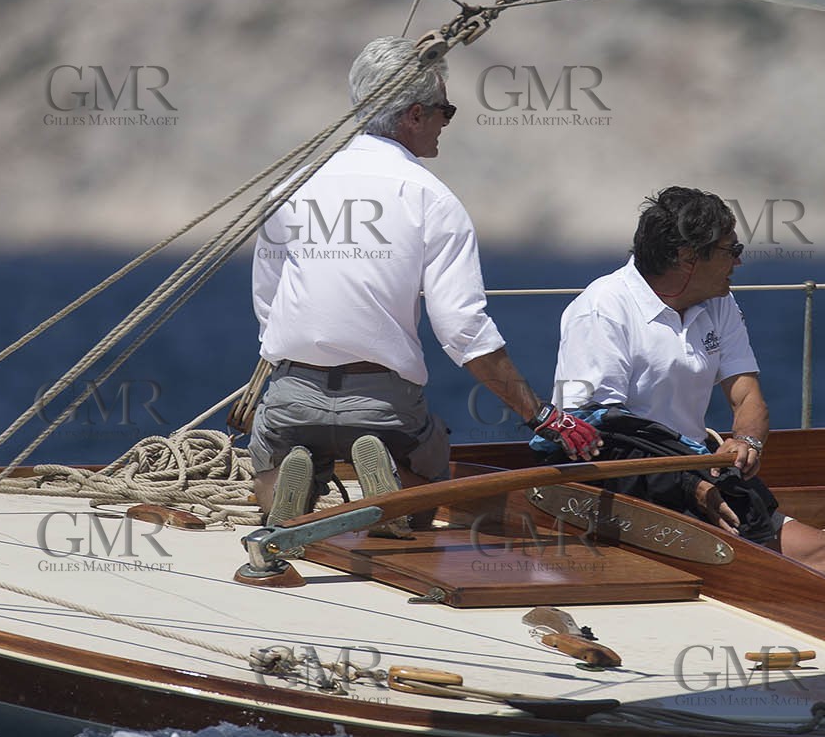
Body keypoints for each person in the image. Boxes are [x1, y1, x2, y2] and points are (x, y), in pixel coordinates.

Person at [248, 36, 599, 528]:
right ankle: (395, 491)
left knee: (269, 465)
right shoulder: (432, 199)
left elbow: (268, 302)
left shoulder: (290, 187)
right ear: (414, 115)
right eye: (444, 111)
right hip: (382, 403)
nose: (445, 124)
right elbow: (463, 331)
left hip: (292, 391)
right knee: (427, 487)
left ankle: (295, 478)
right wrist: (541, 415)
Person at [549, 187, 825, 587]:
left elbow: (747, 395)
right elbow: (597, 438)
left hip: (694, 476)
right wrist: (692, 486)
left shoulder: (718, 302)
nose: (739, 260)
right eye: (731, 250)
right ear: (687, 257)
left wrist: (748, 442)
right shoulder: (602, 310)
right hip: (623, 490)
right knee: (820, 559)